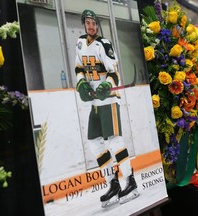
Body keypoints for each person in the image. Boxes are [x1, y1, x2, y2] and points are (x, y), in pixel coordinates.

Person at [74, 9, 139, 208]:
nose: (91, 26)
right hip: (94, 102)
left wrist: (106, 85)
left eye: (94, 22)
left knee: (114, 140)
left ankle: (130, 181)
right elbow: (78, 68)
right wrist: (81, 84)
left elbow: (114, 72)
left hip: (109, 100)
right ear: (84, 24)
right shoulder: (79, 42)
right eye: (88, 23)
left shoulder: (105, 44)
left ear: (98, 25)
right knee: (94, 143)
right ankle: (113, 183)